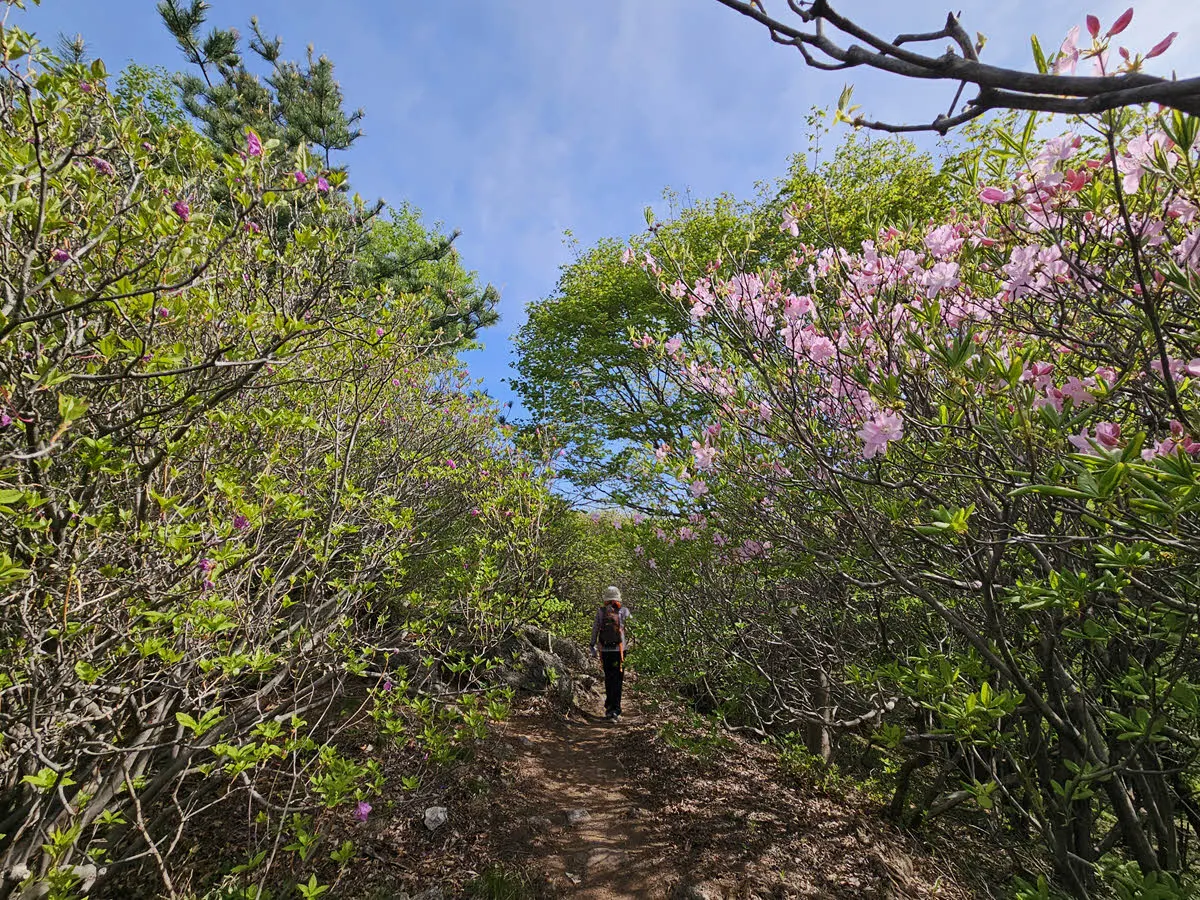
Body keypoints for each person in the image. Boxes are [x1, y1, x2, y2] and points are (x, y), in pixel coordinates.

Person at [589, 585, 630, 721]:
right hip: (620, 652)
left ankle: (609, 709)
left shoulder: (601, 612)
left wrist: (592, 644)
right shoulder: (624, 611)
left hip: (605, 651)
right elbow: (633, 629)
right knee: (618, 680)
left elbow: (595, 628)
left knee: (609, 678)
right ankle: (616, 711)